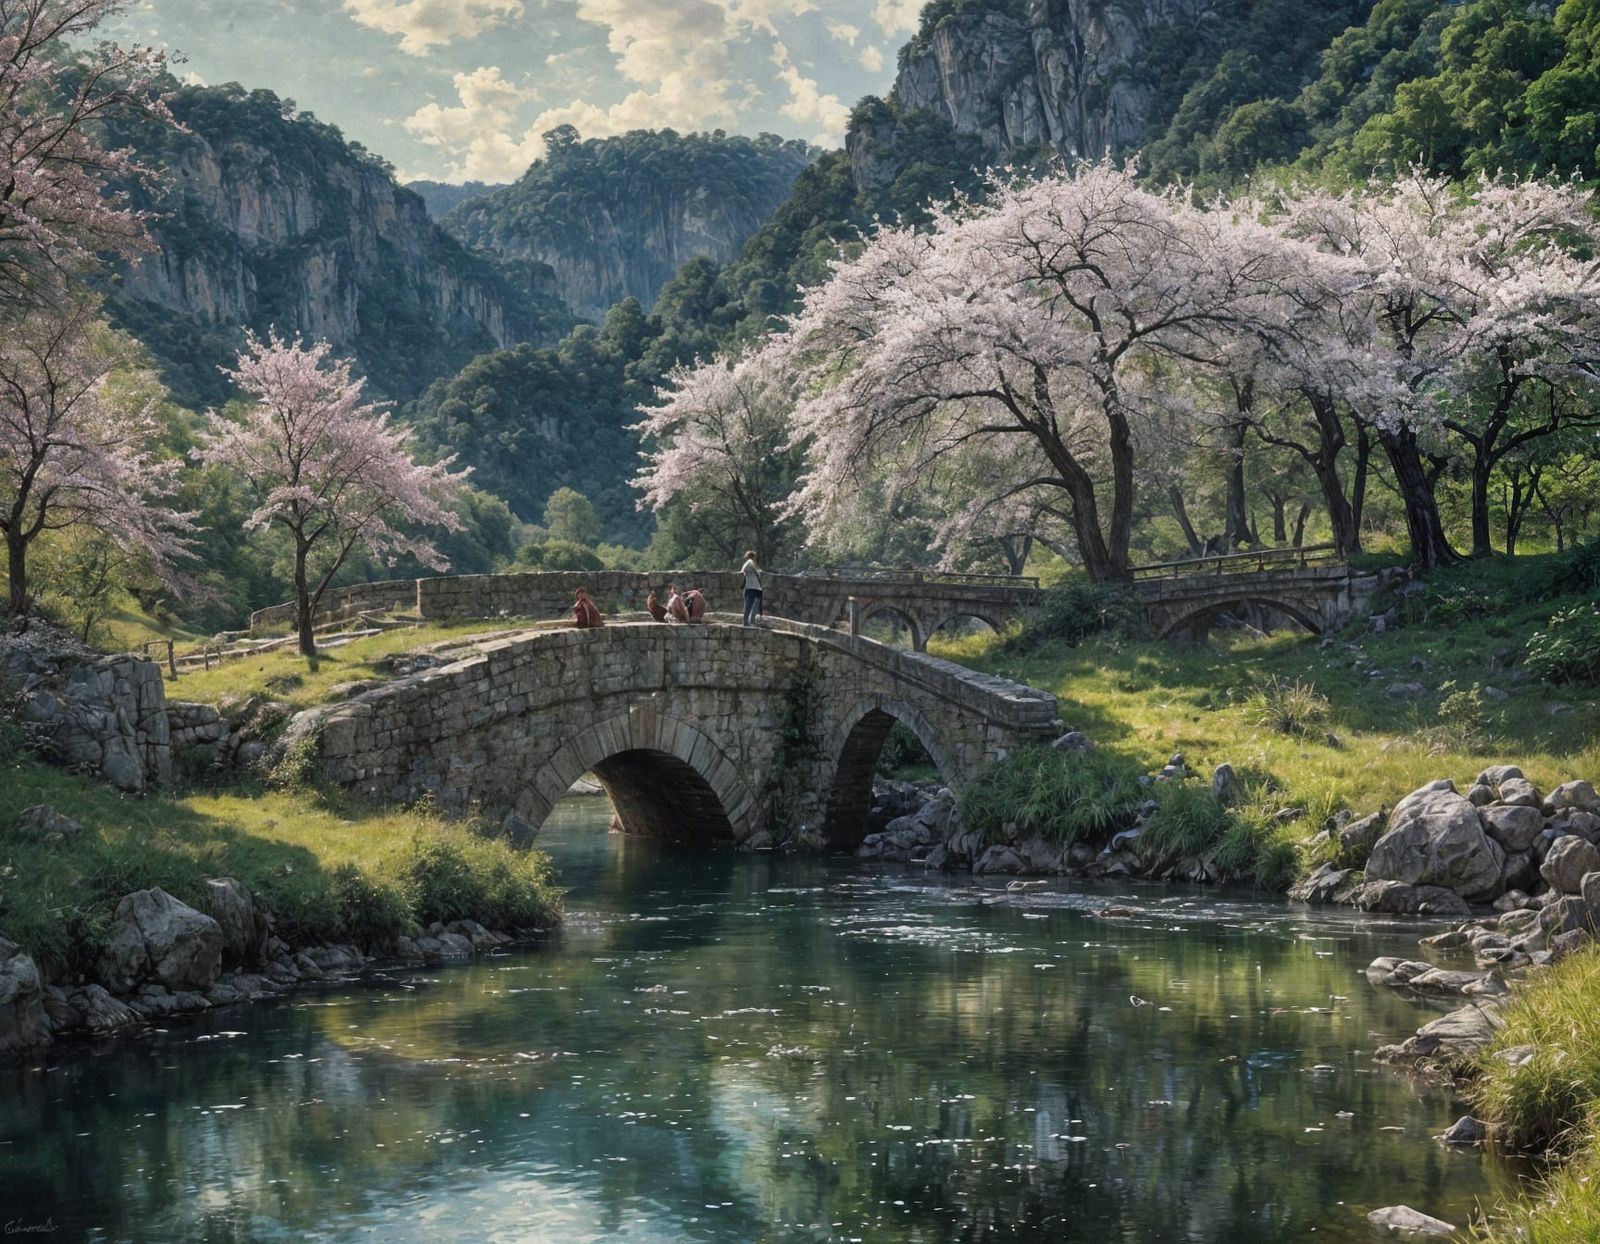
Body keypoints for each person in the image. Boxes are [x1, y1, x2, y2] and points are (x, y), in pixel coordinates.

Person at [740, 549, 763, 626]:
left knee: (753, 606)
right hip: (752, 588)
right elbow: (756, 573)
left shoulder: (747, 564)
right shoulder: (750, 562)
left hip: (753, 587)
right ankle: (747, 622)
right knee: (749, 606)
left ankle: (750, 622)